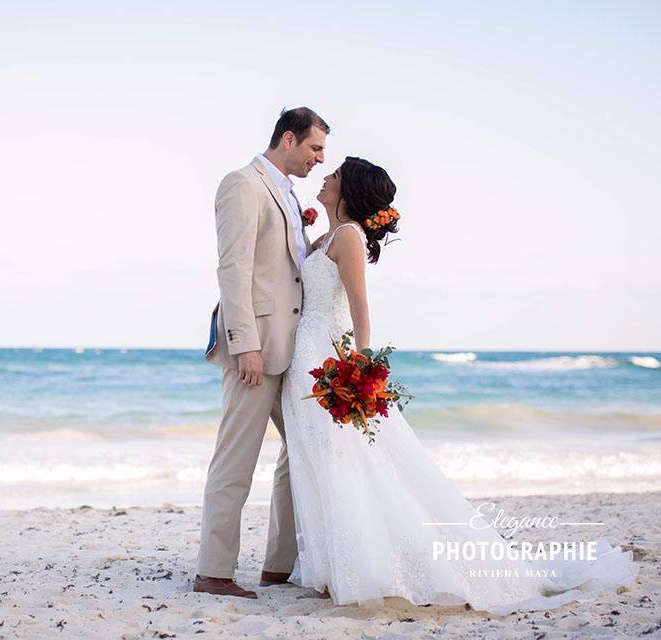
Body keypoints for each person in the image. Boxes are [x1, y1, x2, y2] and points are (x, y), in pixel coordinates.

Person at [280, 156, 639, 615]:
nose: (325, 177)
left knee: (343, 459)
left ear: (347, 191)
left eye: (334, 175)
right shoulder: (328, 235)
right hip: (307, 355)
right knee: (319, 458)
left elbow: (359, 308)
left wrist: (360, 365)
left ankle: (367, 567)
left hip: (330, 355)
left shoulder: (348, 237)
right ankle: (333, 566)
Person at [194, 107, 328, 598]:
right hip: (255, 348)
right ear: (287, 139)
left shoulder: (290, 196)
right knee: (236, 460)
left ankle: (278, 565)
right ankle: (213, 572)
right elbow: (233, 270)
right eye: (315, 148)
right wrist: (244, 344)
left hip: (293, 348)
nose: (318, 159)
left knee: (303, 450)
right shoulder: (242, 184)